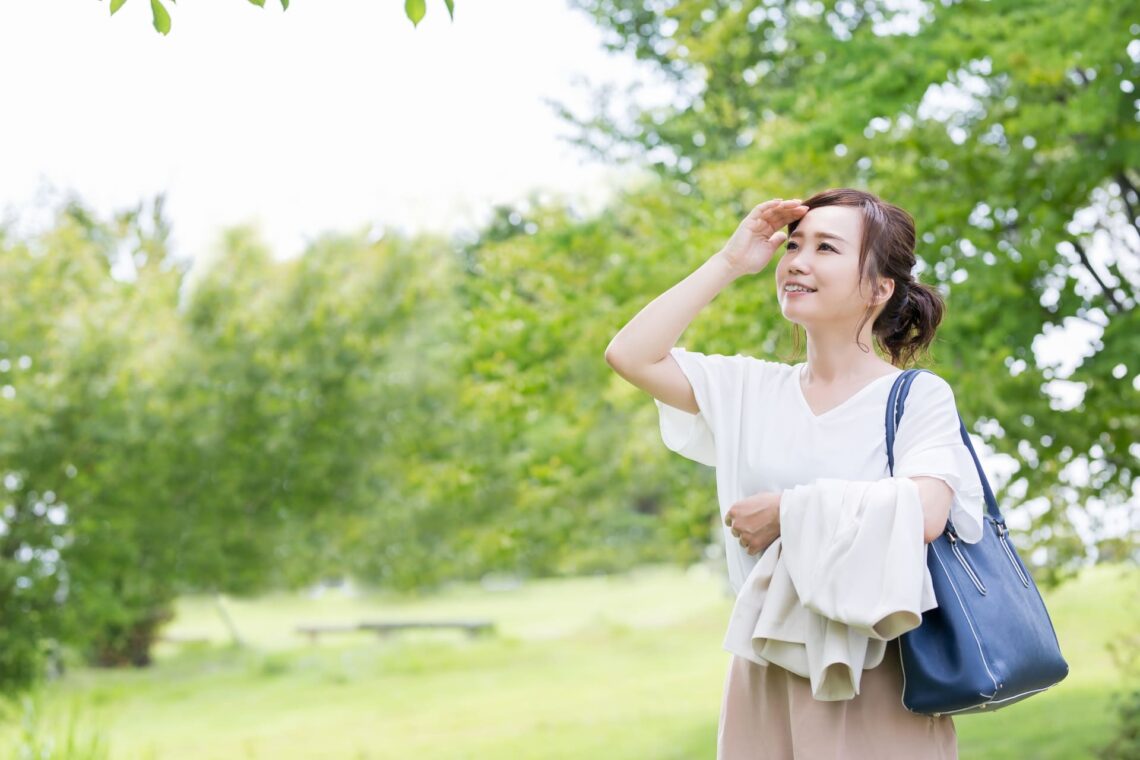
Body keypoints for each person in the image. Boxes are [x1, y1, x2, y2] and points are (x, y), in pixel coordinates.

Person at [603, 188, 985, 759]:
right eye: (793, 245)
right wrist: (731, 261)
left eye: (826, 248)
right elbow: (630, 355)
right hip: (763, 666)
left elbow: (927, 511)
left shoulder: (914, 396)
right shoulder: (749, 389)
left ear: (880, 289)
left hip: (875, 667)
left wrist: (788, 511)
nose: (798, 261)